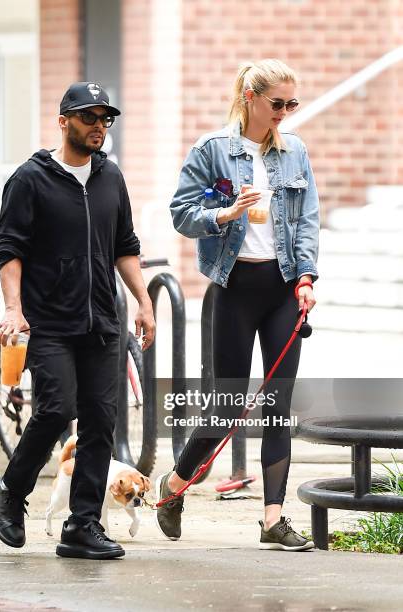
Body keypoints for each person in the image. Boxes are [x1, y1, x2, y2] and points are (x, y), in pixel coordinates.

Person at [0, 82, 155, 560]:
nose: (98, 126)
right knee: (57, 409)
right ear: (64, 122)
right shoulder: (30, 179)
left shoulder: (110, 178)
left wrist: (142, 300)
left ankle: (82, 525)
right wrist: (13, 308)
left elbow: (125, 245)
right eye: (89, 117)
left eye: (105, 119)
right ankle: (11, 490)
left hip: (103, 319)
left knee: (102, 420)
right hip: (51, 321)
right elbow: (10, 250)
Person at [157, 59, 319, 551]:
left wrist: (307, 277)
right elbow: (181, 213)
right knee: (225, 407)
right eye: (278, 104)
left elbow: (308, 217)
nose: (285, 113)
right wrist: (227, 213)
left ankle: (273, 519)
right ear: (250, 97)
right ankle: (174, 486)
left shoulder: (295, 152)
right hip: (232, 287)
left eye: (293, 103)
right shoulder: (212, 151)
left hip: (284, 288)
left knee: (278, 407)